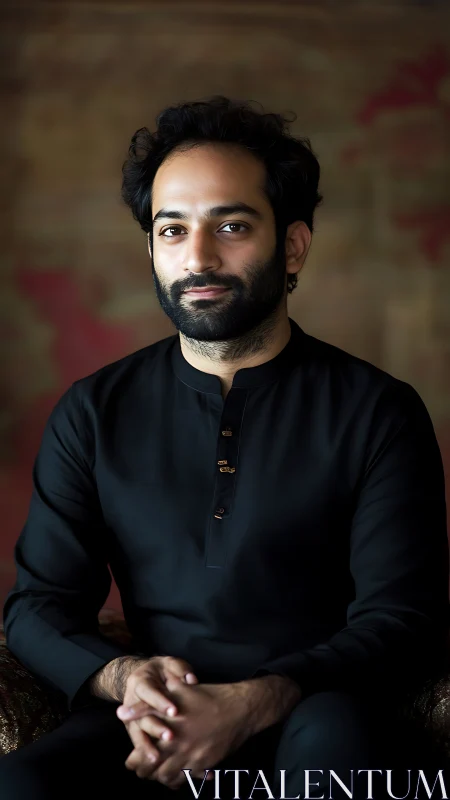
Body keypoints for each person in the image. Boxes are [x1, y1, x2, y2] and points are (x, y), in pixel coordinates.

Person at [1, 95, 448, 800]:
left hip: (319, 713)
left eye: (232, 225)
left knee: (340, 753)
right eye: (172, 230)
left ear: (292, 244)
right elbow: (37, 607)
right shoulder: (93, 411)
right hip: (157, 720)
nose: (198, 257)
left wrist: (255, 700)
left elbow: (403, 617)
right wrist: (126, 679)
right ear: (151, 247)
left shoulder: (378, 411)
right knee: (23, 784)